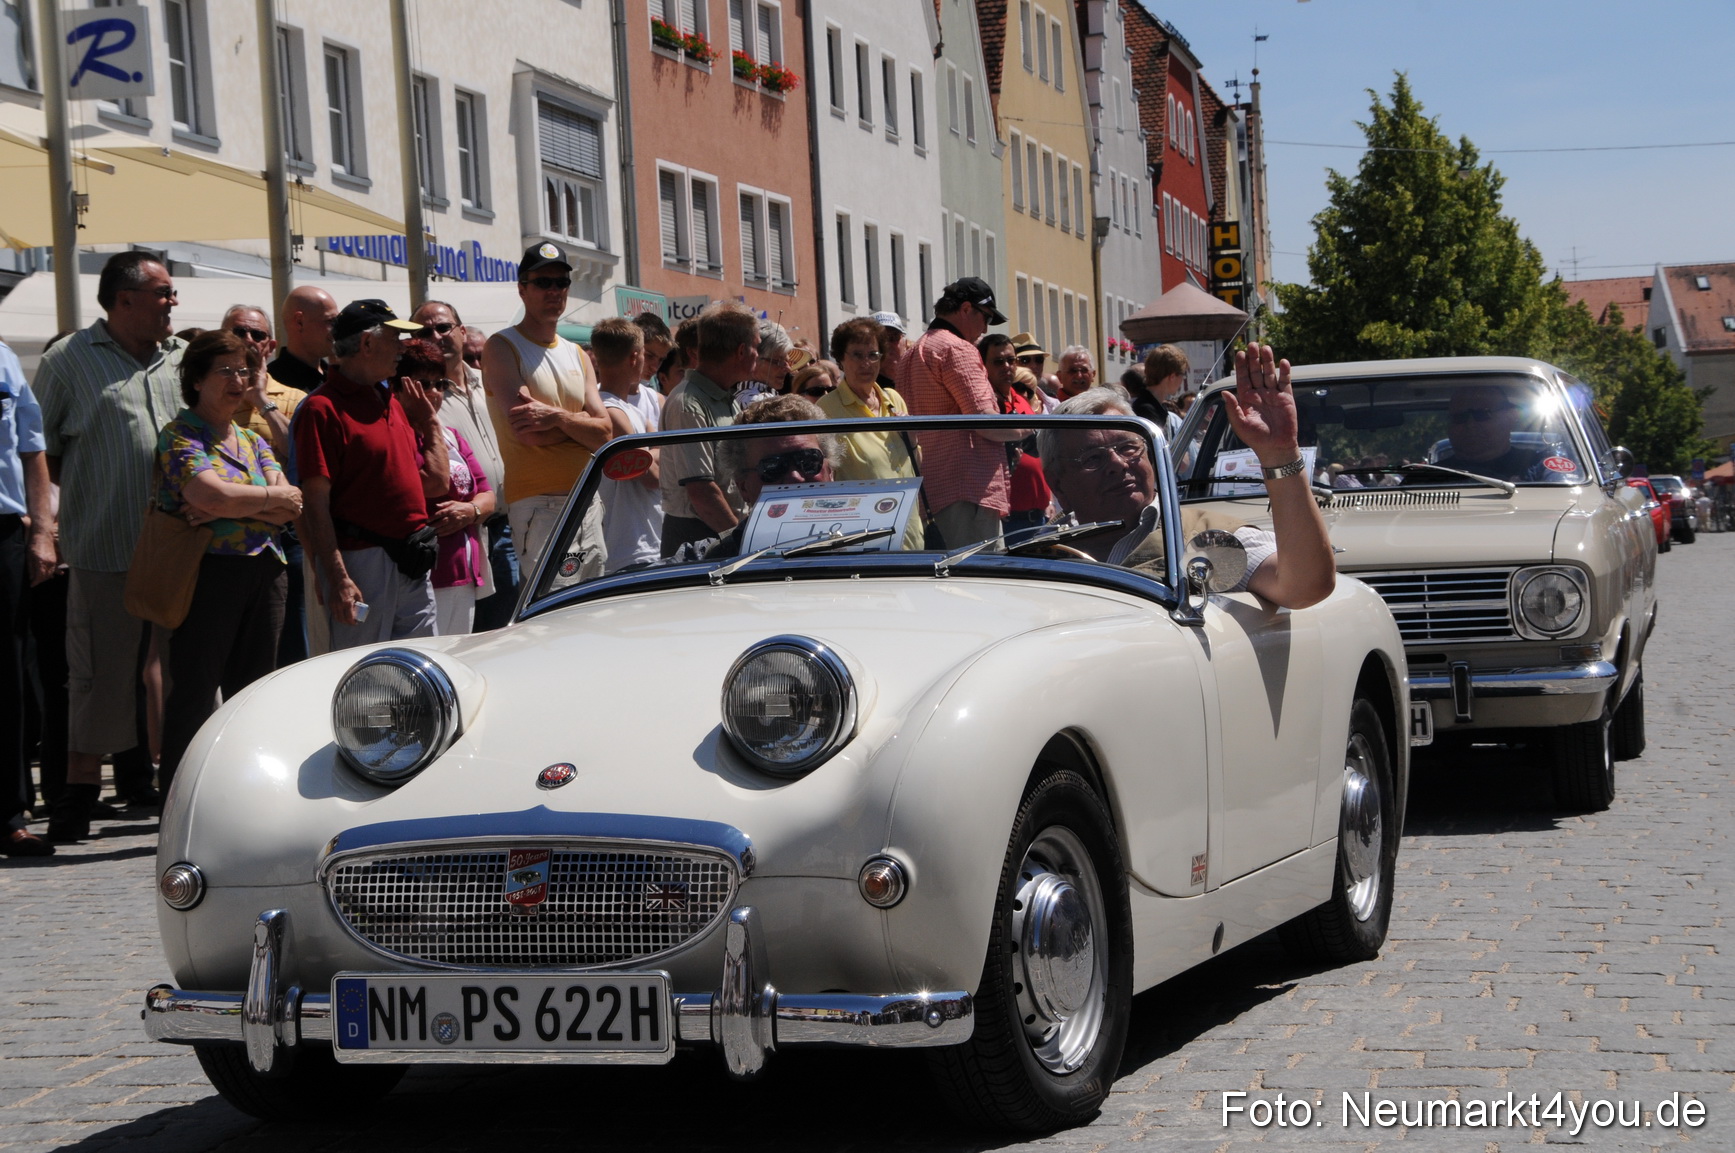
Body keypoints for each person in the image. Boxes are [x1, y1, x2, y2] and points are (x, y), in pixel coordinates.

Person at [36, 251, 186, 838]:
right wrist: (45, 532)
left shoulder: (181, 360)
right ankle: (75, 795)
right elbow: (41, 453)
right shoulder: (68, 360)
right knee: (98, 676)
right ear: (124, 300)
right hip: (103, 547)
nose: (172, 302)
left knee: (183, 677)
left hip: (183, 552)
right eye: (163, 293)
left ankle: (183, 790)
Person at [1038, 344, 1336, 610]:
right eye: (1093, 458)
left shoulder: (1207, 536)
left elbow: (1304, 587)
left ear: (1151, 456)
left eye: (1128, 447)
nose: (1117, 464)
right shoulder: (1033, 555)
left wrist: (1280, 455)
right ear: (1058, 483)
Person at [156, 331, 301, 796]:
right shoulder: (180, 434)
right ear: (196, 379)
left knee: (253, 693)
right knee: (196, 691)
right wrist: (252, 501)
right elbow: (207, 494)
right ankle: (181, 799)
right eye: (225, 371)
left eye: (244, 370)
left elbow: (292, 504)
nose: (238, 380)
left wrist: (237, 504)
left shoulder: (249, 438)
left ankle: (245, 794)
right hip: (208, 573)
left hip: (266, 571)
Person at [295, 299, 449, 649]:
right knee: (364, 676)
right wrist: (337, 577)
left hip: (412, 556)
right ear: (366, 344)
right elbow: (315, 503)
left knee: (419, 665)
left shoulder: (391, 401)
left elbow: (429, 482)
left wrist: (428, 423)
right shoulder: (322, 408)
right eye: (395, 338)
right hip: (362, 563)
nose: (402, 348)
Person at [482, 244, 613, 577]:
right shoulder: (502, 346)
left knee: (590, 608)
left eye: (561, 282)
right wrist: (581, 426)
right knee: (554, 613)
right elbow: (527, 431)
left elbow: (605, 433)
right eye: (544, 282)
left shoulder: (577, 354)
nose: (554, 290)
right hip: (539, 505)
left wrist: (556, 417)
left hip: (585, 501)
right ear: (522, 289)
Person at [412, 299, 517, 631]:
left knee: (511, 627)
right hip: (459, 536)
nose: (436, 335)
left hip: (508, 525)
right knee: (473, 634)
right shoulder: (421, 399)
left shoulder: (492, 382)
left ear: (460, 330)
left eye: (443, 327)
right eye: (425, 331)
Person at [900, 277, 1025, 548]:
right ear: (966, 309)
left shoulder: (912, 352)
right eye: (986, 317)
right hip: (967, 490)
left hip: (930, 488)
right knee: (980, 580)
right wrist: (1031, 426)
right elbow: (985, 422)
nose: (985, 328)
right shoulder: (957, 348)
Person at [220, 303, 310, 667]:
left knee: (289, 644)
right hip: (224, 537)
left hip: (285, 535)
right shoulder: (210, 395)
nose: (248, 339)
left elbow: (297, 455)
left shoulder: (292, 397)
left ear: (271, 345)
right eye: (238, 331)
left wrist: (259, 399)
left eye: (257, 334)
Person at [391, 340, 494, 635]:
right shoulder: (399, 436)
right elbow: (431, 486)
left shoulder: (452, 437)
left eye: (440, 384)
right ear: (397, 388)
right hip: (426, 573)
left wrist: (470, 510)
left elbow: (487, 494)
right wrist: (429, 424)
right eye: (422, 384)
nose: (434, 393)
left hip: (465, 570)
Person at [0, 338, 56, 854]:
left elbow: (32, 448)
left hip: (2, 532)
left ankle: (9, 813)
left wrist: (42, 531)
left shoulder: (3, 358)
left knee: (10, 674)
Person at [659, 302, 757, 556]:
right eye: (756, 346)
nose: (758, 353)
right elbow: (702, 494)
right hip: (696, 537)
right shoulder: (688, 404)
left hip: (721, 530)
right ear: (741, 351)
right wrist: (741, 542)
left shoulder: (725, 398)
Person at [819, 318, 923, 551]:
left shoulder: (894, 399)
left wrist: (913, 439)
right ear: (841, 359)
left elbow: (915, 466)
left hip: (910, 534)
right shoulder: (826, 410)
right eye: (857, 355)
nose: (866, 363)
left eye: (873, 354)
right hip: (863, 539)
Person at [592, 317, 664, 570]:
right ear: (634, 357)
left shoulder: (629, 411)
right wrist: (655, 451)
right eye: (646, 354)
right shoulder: (610, 412)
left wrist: (650, 451)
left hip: (646, 541)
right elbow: (653, 476)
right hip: (629, 548)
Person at [979, 333, 1053, 536]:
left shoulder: (1020, 399)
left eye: (1011, 360)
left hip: (1038, 514)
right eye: (998, 361)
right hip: (1007, 518)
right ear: (983, 365)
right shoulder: (984, 404)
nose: (1007, 366)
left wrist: (1047, 499)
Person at [1436, 385, 1552, 480]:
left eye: (1482, 414)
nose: (1470, 425)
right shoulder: (1429, 477)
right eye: (1459, 417)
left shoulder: (1539, 467)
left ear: (1510, 418)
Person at [1134, 344, 1187, 441]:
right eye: (1183, 374)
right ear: (1172, 376)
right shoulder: (1146, 410)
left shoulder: (1154, 404)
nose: (1183, 379)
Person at [735, 320, 792, 408]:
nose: (788, 369)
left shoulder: (741, 395)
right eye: (779, 362)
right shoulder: (759, 402)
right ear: (755, 360)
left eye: (787, 362)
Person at [632, 312, 674, 386]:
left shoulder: (653, 395)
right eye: (650, 356)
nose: (655, 368)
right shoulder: (607, 392)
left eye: (661, 360)